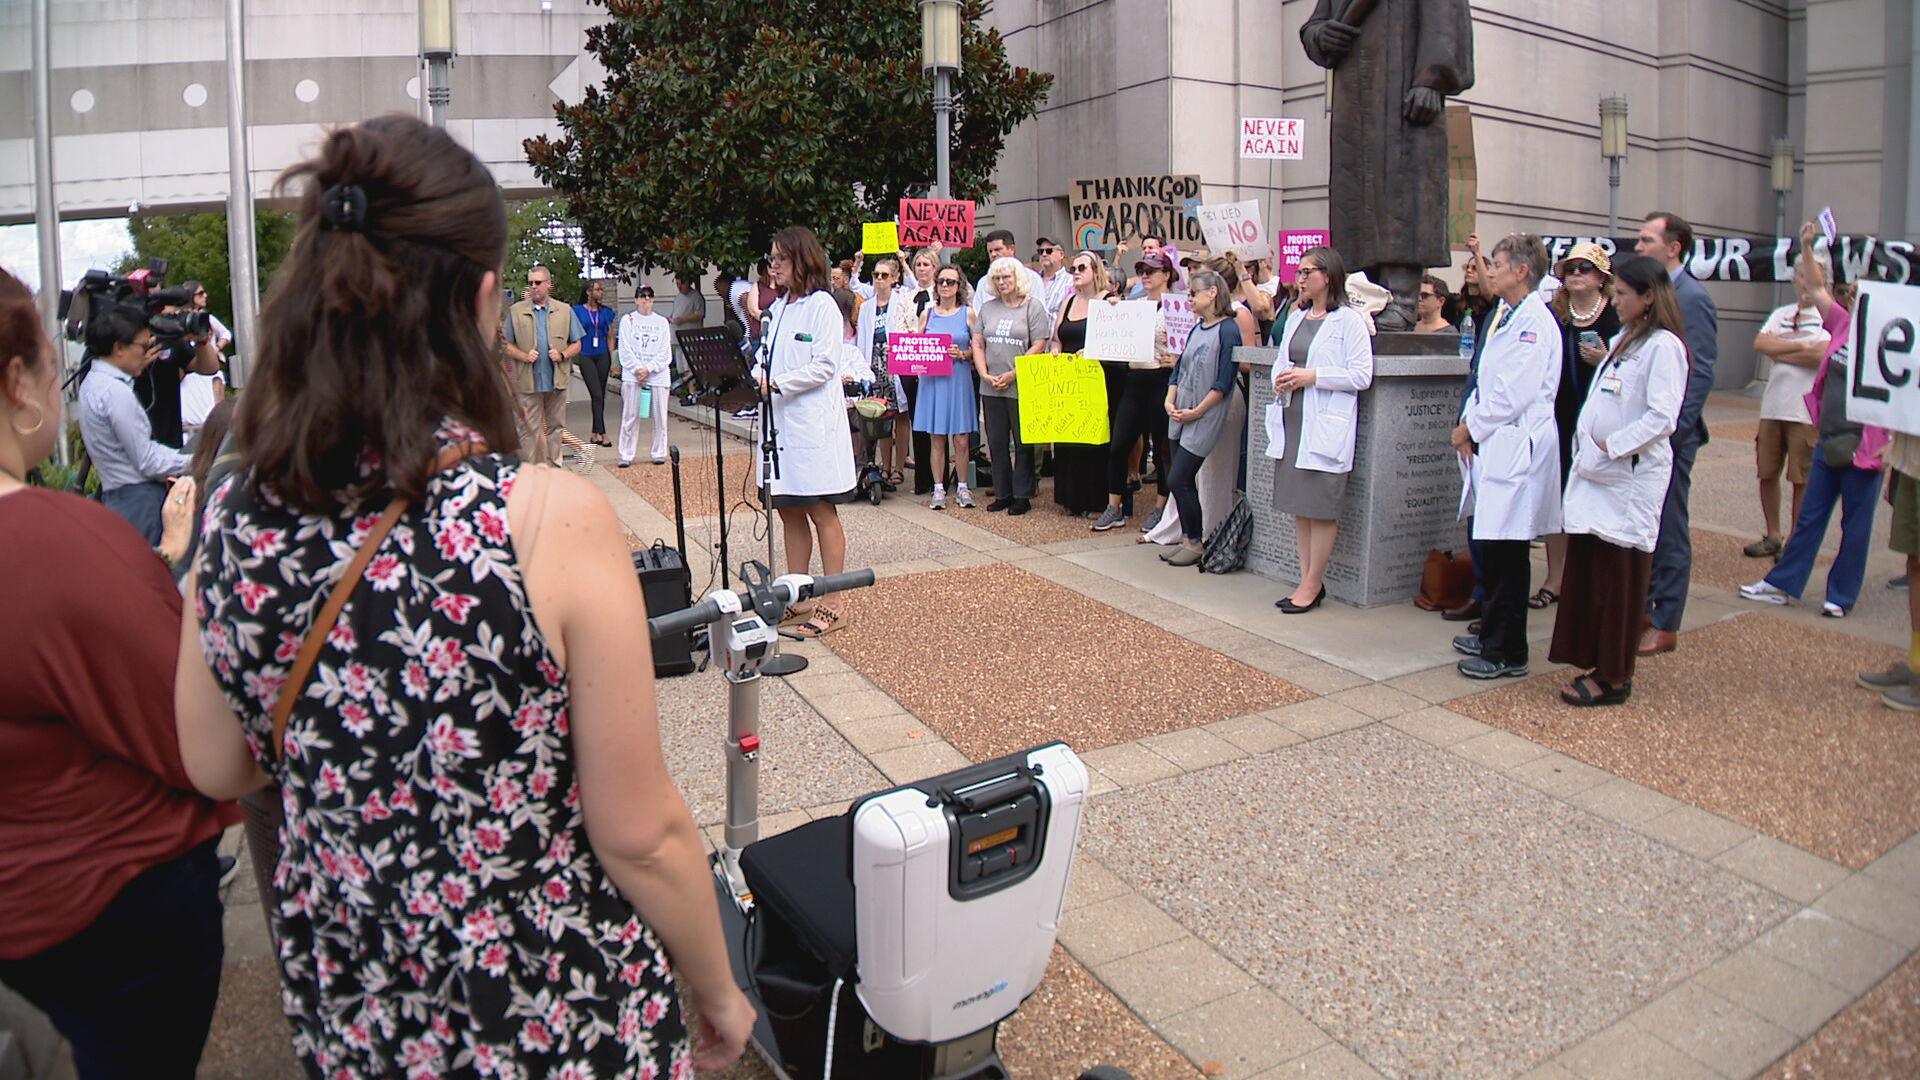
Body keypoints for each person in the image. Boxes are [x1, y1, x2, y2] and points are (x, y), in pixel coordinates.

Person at [174, 115, 753, 1078]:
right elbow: (640, 832)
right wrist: (719, 989)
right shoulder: (540, 515)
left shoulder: (235, 514)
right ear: (484, 298)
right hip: (553, 1008)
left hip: (361, 1009)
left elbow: (213, 764)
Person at [0, 265, 235, 1080]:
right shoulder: (55, 543)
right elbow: (188, 735)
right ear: (15, 382)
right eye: (47, 369)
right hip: (108, 920)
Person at [1550, 255, 1689, 706]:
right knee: (1594, 573)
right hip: (1598, 475)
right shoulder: (1627, 339)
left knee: (1621, 578)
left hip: (1626, 479)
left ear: (1648, 298)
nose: (1616, 301)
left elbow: (1663, 416)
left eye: (1624, 294)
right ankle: (1594, 659)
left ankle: (1614, 676)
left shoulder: (1663, 346)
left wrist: (1613, 446)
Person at [1739, 222, 1884, 618]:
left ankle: (1841, 594)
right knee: (1811, 517)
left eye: (1858, 293)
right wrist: (1807, 244)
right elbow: (1818, 288)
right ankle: (1783, 582)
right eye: (1850, 293)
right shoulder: (1841, 325)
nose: (1850, 297)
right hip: (1830, 436)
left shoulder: (1887, 341)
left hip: (1866, 446)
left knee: (1855, 526)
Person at [1300, 0, 1473, 329]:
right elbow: (1315, 25)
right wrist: (1323, 36)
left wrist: (1431, 80)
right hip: (1355, 102)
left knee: (1401, 194)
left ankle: (1402, 297)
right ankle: (1363, 293)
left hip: (1403, 98)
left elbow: (1446, 20)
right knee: (1356, 199)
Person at [1451, 233, 1561, 678]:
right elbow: (1485, 378)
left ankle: (1507, 650)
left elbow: (1512, 393)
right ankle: (1492, 630)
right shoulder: (1505, 314)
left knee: (1508, 552)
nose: (1487, 270)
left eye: (1495, 264)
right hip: (1495, 443)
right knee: (1493, 546)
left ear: (1521, 271)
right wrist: (1472, 424)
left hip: (1515, 445)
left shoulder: (1534, 322)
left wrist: (1469, 428)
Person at [757, 226, 859, 636]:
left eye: (780, 259)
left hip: (812, 426)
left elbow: (824, 365)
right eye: (772, 259)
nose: (773, 266)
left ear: (802, 260)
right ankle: (799, 595)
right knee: (789, 510)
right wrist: (756, 376)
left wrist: (778, 383)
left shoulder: (823, 306)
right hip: (780, 426)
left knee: (821, 510)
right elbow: (765, 354)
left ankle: (833, 599)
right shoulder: (778, 309)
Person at [1269, 246, 1374, 612]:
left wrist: (1313, 377)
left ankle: (1313, 585)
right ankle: (1305, 577)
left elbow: (1361, 375)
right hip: (1295, 417)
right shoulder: (1297, 318)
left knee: (1321, 506)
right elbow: (1283, 357)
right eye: (1298, 272)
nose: (1299, 279)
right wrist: (1281, 379)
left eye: (1306, 272)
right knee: (1301, 505)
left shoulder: (1350, 321)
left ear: (1326, 276)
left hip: (1325, 421)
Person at [1636, 210, 1718, 655]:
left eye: (1648, 240)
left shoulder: (1692, 297)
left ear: (1674, 248)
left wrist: (1673, 431)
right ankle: (1644, 607)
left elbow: (1700, 371)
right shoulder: (1652, 293)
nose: (1640, 246)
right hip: (1645, 433)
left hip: (1671, 435)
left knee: (1669, 526)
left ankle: (1666, 620)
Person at [1534, 242, 1622, 610]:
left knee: (1595, 497)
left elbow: (1629, 370)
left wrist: (1605, 359)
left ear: (1602, 277)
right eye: (1570, 268)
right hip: (1559, 414)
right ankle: (1555, 577)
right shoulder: (1554, 314)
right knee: (1557, 497)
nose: (1576, 274)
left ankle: (1589, 578)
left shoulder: (1615, 316)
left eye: (1585, 268)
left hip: (1600, 419)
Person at [76, 302, 194, 543]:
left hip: (118, 498)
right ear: (119, 347)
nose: (147, 351)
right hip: (140, 500)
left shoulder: (92, 383)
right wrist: (198, 461)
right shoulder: (115, 392)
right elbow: (147, 461)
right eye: (143, 345)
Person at [1744, 256, 1831, 557]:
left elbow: (1821, 356)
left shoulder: (1829, 316)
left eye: (1812, 276)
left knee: (1801, 477)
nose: (1805, 282)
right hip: (1773, 407)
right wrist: (1800, 346)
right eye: (1801, 275)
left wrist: (1782, 350)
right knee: (1767, 471)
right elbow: (1760, 344)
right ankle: (1773, 535)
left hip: (1805, 412)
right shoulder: (1782, 313)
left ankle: (1796, 541)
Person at [1160, 270, 1243, 566]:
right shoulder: (1198, 328)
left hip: (1203, 414)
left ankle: (1194, 542)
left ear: (1213, 293)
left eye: (1194, 293)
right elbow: (1179, 369)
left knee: (1180, 477)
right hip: (1181, 412)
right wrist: (1170, 399)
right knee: (1180, 480)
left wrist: (1198, 411)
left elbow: (1224, 381)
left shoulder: (1229, 330)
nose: (1189, 299)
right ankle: (1187, 537)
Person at [1094, 249, 1179, 532]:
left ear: (1166, 275)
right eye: (1142, 271)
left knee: (1162, 447)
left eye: (1151, 271)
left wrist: (1177, 358)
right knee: (1119, 444)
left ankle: (1160, 506)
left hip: (1160, 378)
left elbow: (1188, 344)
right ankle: (1114, 505)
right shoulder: (1133, 304)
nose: (1145, 275)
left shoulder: (1177, 308)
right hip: (1135, 378)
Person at [974, 255, 1053, 516]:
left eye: (1006, 277)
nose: (1002, 282)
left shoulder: (1033, 307)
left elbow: (1039, 344)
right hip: (991, 386)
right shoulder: (988, 308)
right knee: (996, 442)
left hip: (1021, 384)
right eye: (997, 278)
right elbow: (978, 342)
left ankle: (1022, 494)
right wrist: (984, 374)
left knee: (1023, 443)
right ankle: (1003, 492)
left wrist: (1013, 373)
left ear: (1018, 278)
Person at [1050, 252, 1120, 516]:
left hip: (1098, 379)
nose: (1076, 271)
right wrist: (1056, 350)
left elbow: (1116, 340)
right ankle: (1070, 497)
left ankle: (1096, 500)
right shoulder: (1068, 301)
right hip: (1070, 379)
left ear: (1095, 271)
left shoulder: (1107, 302)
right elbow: (1058, 336)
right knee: (1068, 438)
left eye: (1082, 267)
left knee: (1095, 440)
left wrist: (1093, 352)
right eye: (1073, 268)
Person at [500, 263, 586, 467]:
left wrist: (563, 354)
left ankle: (554, 469)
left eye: (538, 282)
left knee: (556, 427)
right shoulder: (516, 311)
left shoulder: (564, 311)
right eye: (530, 283)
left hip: (556, 379)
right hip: (528, 381)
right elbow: (504, 343)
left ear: (549, 284)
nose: (533, 287)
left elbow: (577, 343)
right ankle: (529, 471)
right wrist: (522, 355)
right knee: (528, 428)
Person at [916, 265, 980, 509]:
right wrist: (899, 351)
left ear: (959, 286)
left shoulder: (968, 314)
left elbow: (978, 348)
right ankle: (939, 488)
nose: (945, 285)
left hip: (958, 378)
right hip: (933, 381)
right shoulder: (927, 314)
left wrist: (963, 354)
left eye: (951, 282)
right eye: (941, 281)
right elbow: (916, 346)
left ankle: (963, 487)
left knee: (962, 438)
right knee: (937, 437)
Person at [863, 255, 909, 488]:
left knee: (901, 414)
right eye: (876, 275)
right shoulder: (867, 307)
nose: (879, 280)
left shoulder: (903, 301)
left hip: (896, 364)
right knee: (881, 414)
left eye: (884, 275)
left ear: (894, 278)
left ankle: (899, 468)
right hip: (875, 364)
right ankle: (886, 466)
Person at [617, 285, 673, 467]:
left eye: (649, 296)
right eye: (642, 296)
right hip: (633, 375)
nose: (646, 300)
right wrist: (638, 369)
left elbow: (665, 351)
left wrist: (649, 368)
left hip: (657, 375)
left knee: (660, 417)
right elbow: (624, 349)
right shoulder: (628, 320)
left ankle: (659, 451)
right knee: (630, 416)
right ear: (636, 299)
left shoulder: (662, 322)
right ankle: (626, 453)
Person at [572, 278, 618, 446]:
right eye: (597, 289)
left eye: (601, 290)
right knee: (596, 394)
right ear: (588, 292)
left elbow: (610, 335)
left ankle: (594, 433)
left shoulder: (606, 312)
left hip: (602, 355)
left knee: (600, 396)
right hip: (586, 354)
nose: (601, 292)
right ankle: (603, 432)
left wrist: (612, 359)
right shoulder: (577, 311)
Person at [972, 230, 1046, 313]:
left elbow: (1039, 313)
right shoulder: (984, 282)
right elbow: (977, 315)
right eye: (990, 251)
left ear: (1012, 249)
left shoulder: (1032, 278)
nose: (993, 254)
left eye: (998, 249)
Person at [1036, 236, 1073, 318]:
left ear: (1061, 254)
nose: (1044, 254)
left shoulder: (1071, 282)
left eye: (1049, 251)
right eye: (1040, 251)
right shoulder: (1032, 281)